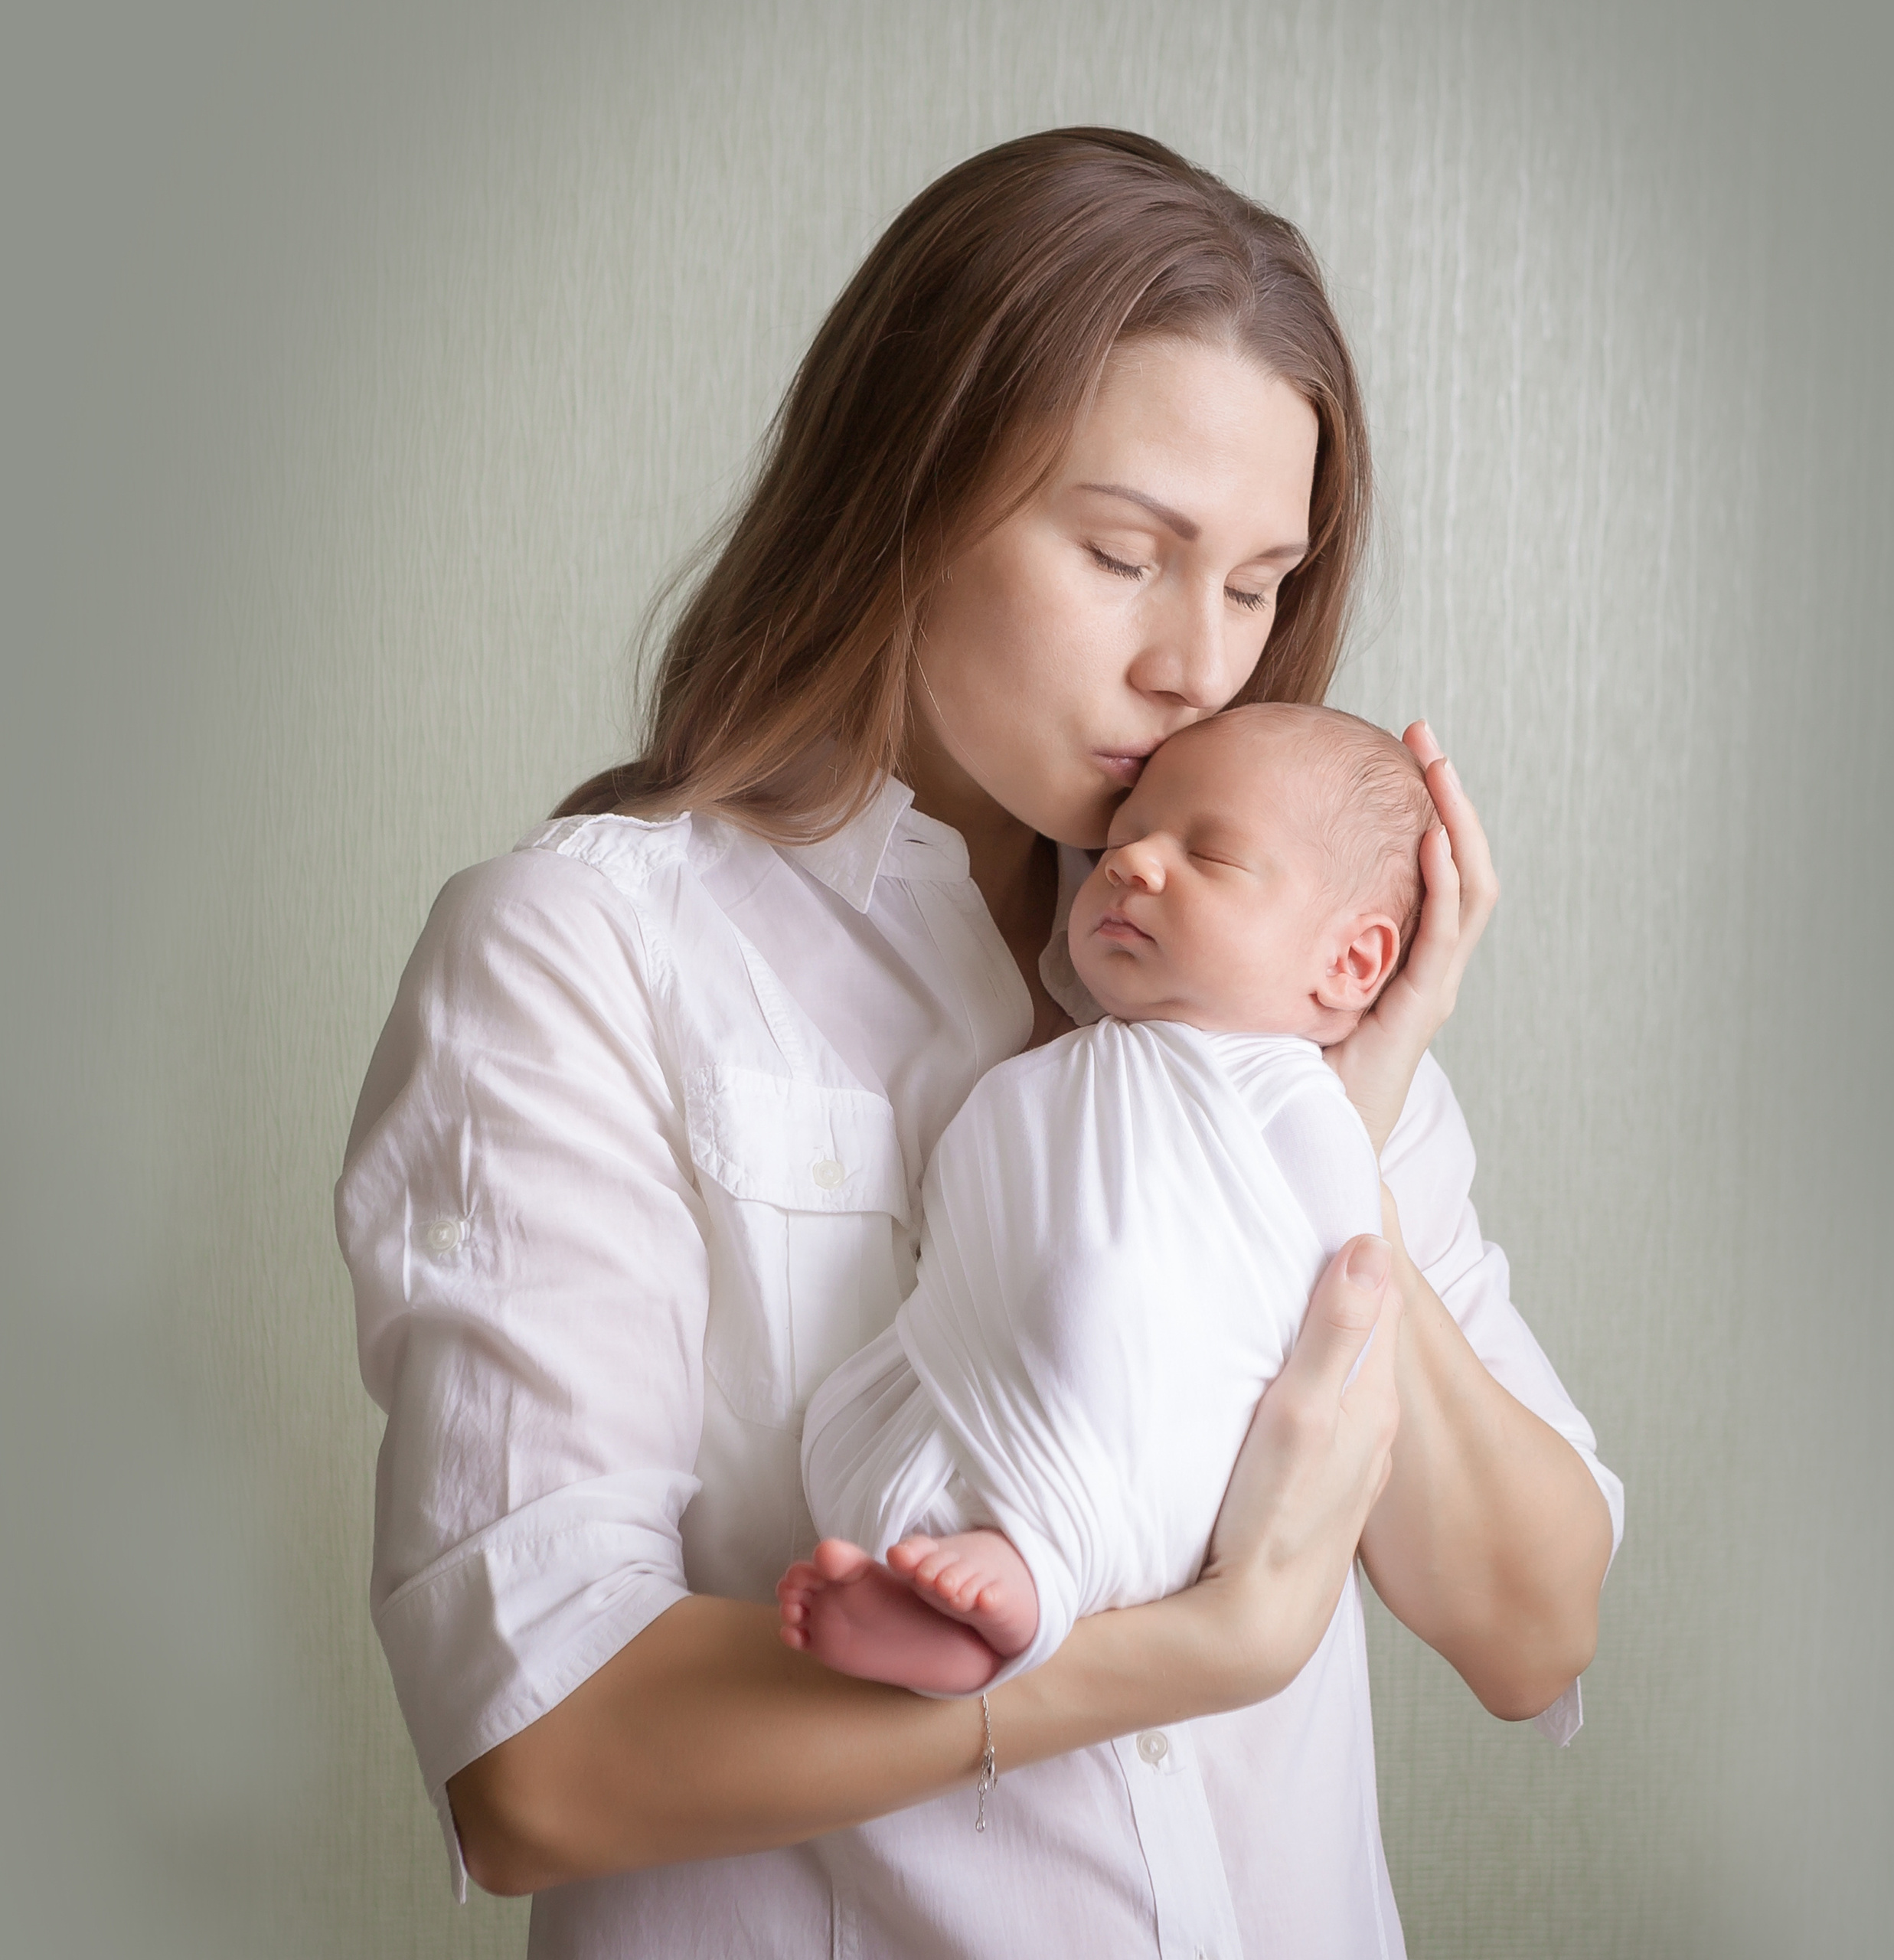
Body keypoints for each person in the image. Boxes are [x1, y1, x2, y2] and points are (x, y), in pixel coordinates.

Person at [337, 127, 1621, 1958]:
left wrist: (1339, 1124)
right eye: (1124, 550)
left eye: (1256, 582)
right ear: (904, 490)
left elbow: (1528, 1623)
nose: (1201, 661)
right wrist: (1190, 1651)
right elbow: (536, 1758)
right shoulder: (586, 951)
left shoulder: (1281, 1009)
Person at [782, 704, 1429, 1696]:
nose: (1133, 864)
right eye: (1126, 837)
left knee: (1112, 1318)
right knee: (853, 1427)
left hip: (1154, 1417)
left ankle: (1031, 1587)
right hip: (978, 1368)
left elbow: (1318, 1301)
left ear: (1349, 963)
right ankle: (935, 1591)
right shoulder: (1071, 1060)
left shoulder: (1294, 1099)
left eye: (1209, 857)